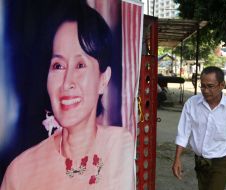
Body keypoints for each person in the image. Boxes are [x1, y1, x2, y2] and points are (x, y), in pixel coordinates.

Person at [1, 1, 134, 190]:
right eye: (58, 66)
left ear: (103, 80)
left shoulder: (119, 145)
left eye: (80, 65)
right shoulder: (20, 172)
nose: (67, 81)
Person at [172, 66, 226, 190]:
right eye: (202, 86)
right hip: (200, 161)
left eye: (210, 86)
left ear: (222, 85)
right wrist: (177, 159)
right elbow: (183, 133)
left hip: (221, 161)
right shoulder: (192, 104)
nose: (205, 90)